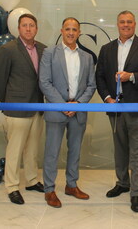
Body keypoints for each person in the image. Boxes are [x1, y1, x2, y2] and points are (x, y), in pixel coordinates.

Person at [96, 10, 138, 213]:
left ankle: (136, 192)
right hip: (115, 108)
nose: (126, 25)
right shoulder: (106, 49)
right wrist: (107, 98)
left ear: (135, 24)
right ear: (117, 24)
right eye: (122, 22)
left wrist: (131, 76)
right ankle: (122, 183)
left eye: (129, 22)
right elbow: (99, 77)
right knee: (120, 149)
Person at [39, 17, 96, 208]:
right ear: (61, 31)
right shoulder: (49, 53)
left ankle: (71, 185)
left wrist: (77, 104)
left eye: (74, 29)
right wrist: (63, 105)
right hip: (57, 111)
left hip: (77, 112)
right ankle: (49, 189)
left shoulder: (87, 57)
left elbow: (91, 85)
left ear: (79, 32)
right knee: (52, 152)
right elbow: (44, 82)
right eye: (67, 29)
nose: (71, 32)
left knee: (75, 151)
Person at [0, 13, 47, 205]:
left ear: (36, 28)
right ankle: (12, 186)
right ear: (19, 29)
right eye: (24, 25)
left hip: (37, 106)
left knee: (32, 149)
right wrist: (7, 103)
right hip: (16, 108)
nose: (28, 29)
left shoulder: (43, 49)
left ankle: (32, 180)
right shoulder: (7, 49)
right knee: (15, 150)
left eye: (31, 25)